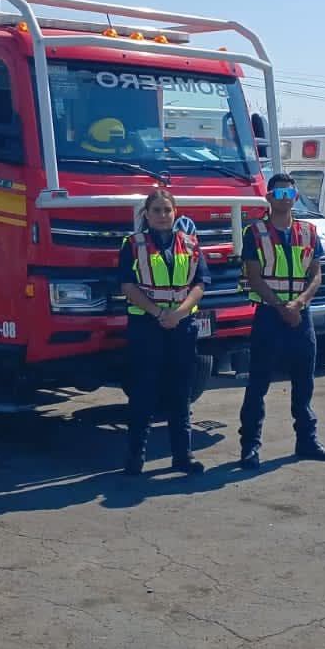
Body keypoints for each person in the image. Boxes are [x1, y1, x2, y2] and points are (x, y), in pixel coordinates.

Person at [237, 173, 325, 470]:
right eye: (278, 192)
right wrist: (282, 306)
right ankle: (249, 447)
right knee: (258, 383)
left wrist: (300, 303)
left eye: (288, 192)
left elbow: (316, 274)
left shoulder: (308, 231)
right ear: (268, 198)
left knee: (304, 381)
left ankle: (307, 440)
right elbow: (253, 277)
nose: (283, 197)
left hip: (301, 316)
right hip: (269, 315)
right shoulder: (254, 232)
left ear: (295, 196)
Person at [119, 188, 212, 476]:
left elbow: (200, 284)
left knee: (180, 393)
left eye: (167, 210)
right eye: (156, 210)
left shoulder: (190, 244)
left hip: (182, 327)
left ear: (176, 213)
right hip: (147, 326)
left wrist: (179, 314)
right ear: (146, 215)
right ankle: (135, 459)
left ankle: (183, 457)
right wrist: (160, 313)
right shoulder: (133, 244)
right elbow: (127, 287)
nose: (162, 215)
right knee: (143, 393)